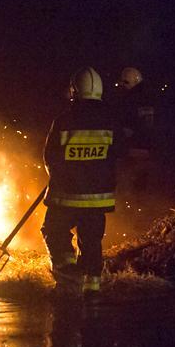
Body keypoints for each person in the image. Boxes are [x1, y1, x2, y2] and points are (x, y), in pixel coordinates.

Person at [41, 67, 121, 301]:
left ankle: (68, 274)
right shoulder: (111, 121)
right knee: (92, 240)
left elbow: (50, 157)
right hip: (98, 198)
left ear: (74, 91)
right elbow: (117, 154)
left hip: (66, 196)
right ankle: (92, 287)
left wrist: (57, 176)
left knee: (53, 230)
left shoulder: (64, 120)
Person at [115, 67, 155, 191]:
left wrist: (128, 134)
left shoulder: (134, 99)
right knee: (139, 184)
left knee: (133, 183)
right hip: (142, 147)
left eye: (126, 83)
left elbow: (144, 125)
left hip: (135, 147)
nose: (123, 86)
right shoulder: (145, 97)